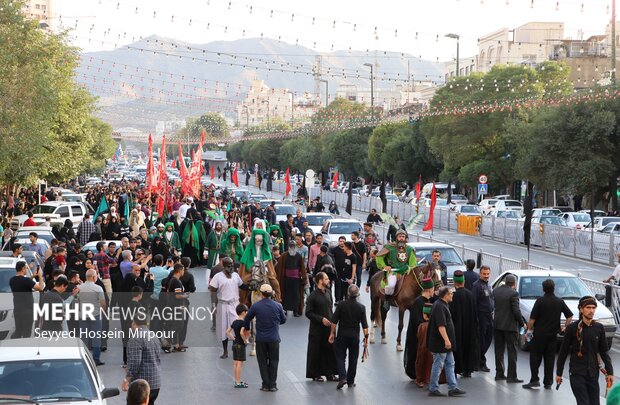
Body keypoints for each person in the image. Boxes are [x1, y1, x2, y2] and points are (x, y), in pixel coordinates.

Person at [556, 296, 614, 405]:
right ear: (581, 309)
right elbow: (563, 352)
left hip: (593, 373)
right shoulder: (572, 328)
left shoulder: (599, 328)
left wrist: (610, 372)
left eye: (593, 308)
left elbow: (604, 352)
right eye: (588, 307)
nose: (591, 310)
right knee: (584, 403)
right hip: (577, 373)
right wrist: (559, 373)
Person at [523, 279, 573, 389]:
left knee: (535, 358)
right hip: (552, 337)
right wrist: (565, 327)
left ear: (543, 288)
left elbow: (532, 320)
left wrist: (528, 333)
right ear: (554, 288)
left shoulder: (540, 301)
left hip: (539, 336)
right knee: (549, 359)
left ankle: (535, 380)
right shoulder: (559, 301)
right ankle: (548, 382)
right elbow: (569, 316)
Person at [243, 284, 287, 392]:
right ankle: (273, 385)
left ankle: (265, 384)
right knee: (274, 361)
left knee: (262, 362)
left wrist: (247, 330)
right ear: (271, 293)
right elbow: (283, 320)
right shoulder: (278, 306)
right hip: (274, 339)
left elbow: (247, 318)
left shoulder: (256, 306)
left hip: (261, 339)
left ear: (261, 294)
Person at [427, 287, 466, 397]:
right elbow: (441, 326)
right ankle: (433, 388)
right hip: (441, 344)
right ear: (445, 295)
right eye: (450, 294)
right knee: (438, 364)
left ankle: (452, 387)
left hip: (445, 344)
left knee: (450, 364)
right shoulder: (439, 306)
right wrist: (447, 340)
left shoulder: (442, 305)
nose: (452, 295)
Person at [329, 284, 369, 390]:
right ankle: (350, 381)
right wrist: (366, 340)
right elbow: (365, 326)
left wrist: (332, 333)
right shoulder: (361, 307)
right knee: (353, 358)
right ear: (357, 294)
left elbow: (334, 321)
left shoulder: (341, 305)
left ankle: (342, 377)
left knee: (340, 356)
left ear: (348, 293)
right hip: (354, 337)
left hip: (342, 335)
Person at [305, 272, 338, 382]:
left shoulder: (328, 292)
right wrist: (321, 319)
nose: (328, 281)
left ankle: (330, 373)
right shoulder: (312, 296)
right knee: (316, 351)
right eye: (326, 279)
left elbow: (330, 308)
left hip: (328, 328)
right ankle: (316, 374)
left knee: (329, 350)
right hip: (317, 329)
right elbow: (308, 313)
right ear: (320, 281)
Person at [122, 315, 162, 405]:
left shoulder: (136, 338)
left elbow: (134, 363)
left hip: (141, 386)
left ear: (134, 323)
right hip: (155, 383)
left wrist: (126, 379)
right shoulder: (154, 336)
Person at [493, 274, 526, 383]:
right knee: (512, 351)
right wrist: (522, 323)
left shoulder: (496, 291)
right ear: (514, 284)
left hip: (497, 325)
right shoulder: (514, 294)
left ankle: (499, 373)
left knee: (499, 350)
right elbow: (516, 311)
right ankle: (512, 376)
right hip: (510, 327)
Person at [209, 257, 243, 359]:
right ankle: (225, 351)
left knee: (235, 327)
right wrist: (214, 305)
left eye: (232, 265)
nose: (231, 267)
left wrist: (250, 286)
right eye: (228, 266)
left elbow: (242, 285)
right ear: (223, 266)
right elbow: (213, 291)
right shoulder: (218, 277)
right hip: (222, 305)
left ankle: (235, 348)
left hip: (234, 305)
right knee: (224, 328)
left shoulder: (236, 275)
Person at [376, 229, 417, 311]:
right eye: (400, 236)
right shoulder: (389, 247)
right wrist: (385, 266)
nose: (401, 238)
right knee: (391, 285)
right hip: (393, 272)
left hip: (406, 272)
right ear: (396, 237)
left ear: (405, 238)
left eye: (403, 236)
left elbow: (413, 263)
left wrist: (410, 267)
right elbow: (379, 257)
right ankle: (387, 301)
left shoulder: (409, 249)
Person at [403, 277, 435, 380]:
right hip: (417, 334)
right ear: (429, 290)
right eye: (433, 289)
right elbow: (417, 320)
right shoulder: (418, 302)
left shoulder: (429, 300)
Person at [449, 270, 479, 378]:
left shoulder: (452, 296)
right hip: (469, 327)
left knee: (458, 348)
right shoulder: (470, 295)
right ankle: (468, 369)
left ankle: (457, 369)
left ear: (454, 282)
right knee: (468, 347)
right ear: (464, 281)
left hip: (457, 328)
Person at [78, 268, 107, 366]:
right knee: (96, 337)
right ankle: (96, 359)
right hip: (96, 314)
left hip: (83, 315)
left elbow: (76, 301)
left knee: (84, 337)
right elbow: (103, 303)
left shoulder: (79, 287)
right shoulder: (98, 288)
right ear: (94, 277)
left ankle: (83, 358)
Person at [10, 260, 45, 338]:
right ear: (22, 269)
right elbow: (41, 288)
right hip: (27, 311)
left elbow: (23, 283)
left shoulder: (12, 280)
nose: (26, 269)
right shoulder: (26, 281)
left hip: (17, 310)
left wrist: (32, 276)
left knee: (18, 331)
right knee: (27, 332)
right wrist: (40, 276)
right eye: (25, 268)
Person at [471, 265, 494, 372]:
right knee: (481, 340)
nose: (486, 276)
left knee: (488, 339)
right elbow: (474, 303)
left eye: (487, 274)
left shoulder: (488, 285)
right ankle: (480, 362)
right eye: (484, 274)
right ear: (480, 274)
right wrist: (476, 319)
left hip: (489, 316)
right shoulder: (476, 286)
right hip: (481, 316)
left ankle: (479, 360)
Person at [275, 241, 307, 316]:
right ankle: (284, 310)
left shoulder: (299, 256)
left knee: (296, 295)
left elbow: (302, 268)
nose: (292, 247)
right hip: (286, 279)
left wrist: (303, 278)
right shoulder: (284, 255)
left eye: (293, 246)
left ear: (295, 247)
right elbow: (278, 267)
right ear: (289, 247)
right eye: (291, 246)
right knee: (285, 295)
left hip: (296, 280)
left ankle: (295, 311)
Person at [415, 302, 443, 388]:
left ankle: (419, 380)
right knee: (432, 364)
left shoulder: (422, 326)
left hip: (422, 348)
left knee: (420, 363)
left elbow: (418, 336)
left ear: (424, 315)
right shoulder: (436, 325)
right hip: (433, 348)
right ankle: (431, 379)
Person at [227, 304, 251, 388]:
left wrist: (233, 338)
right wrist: (245, 341)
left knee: (235, 363)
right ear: (243, 312)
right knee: (240, 364)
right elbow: (241, 333)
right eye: (246, 311)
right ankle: (237, 382)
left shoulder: (235, 322)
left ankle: (236, 380)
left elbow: (227, 332)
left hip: (235, 344)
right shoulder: (244, 322)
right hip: (240, 344)